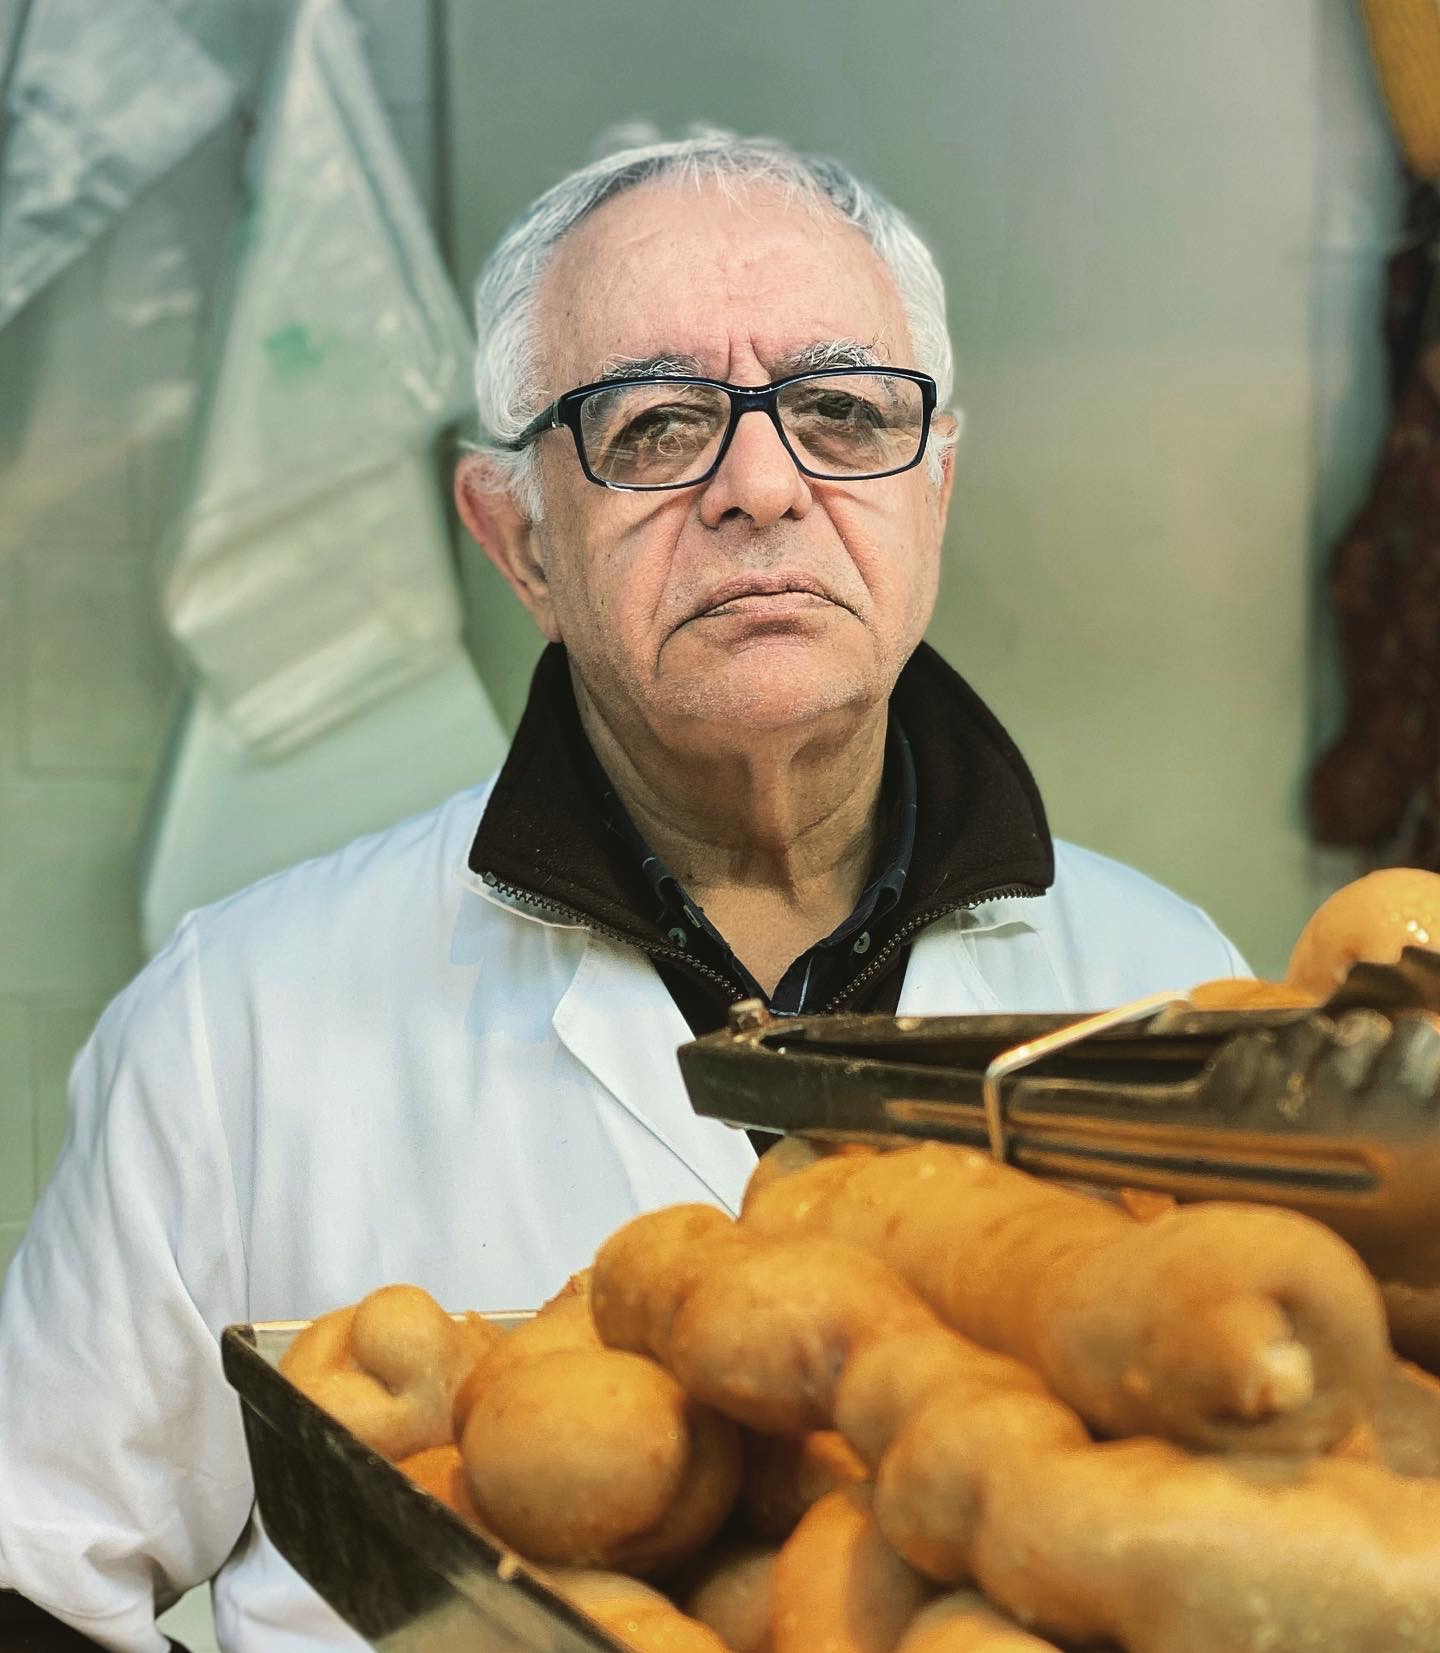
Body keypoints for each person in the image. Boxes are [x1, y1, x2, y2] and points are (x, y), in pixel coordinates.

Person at [0, 132, 1247, 1653]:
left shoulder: (1174, 1000)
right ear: (518, 537)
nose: (763, 486)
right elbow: (33, 1569)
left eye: (845, 412)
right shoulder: (234, 1025)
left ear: (936, 491)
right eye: (656, 426)